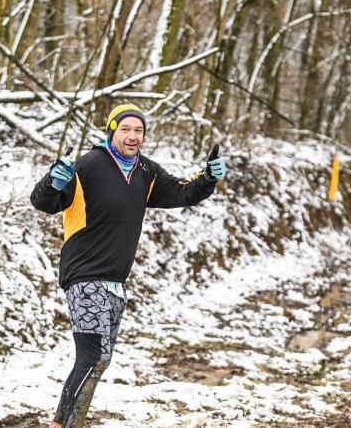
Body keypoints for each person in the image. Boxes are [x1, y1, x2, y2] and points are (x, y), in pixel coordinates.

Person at [30, 104, 227, 428]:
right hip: (84, 274)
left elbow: (183, 193)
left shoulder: (145, 172)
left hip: (116, 282)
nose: (132, 136)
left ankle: (64, 422)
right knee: (92, 357)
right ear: (112, 131)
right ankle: (64, 425)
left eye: (139, 130)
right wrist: (52, 181)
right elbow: (44, 203)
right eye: (126, 129)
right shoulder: (89, 165)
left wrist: (207, 178)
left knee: (99, 360)